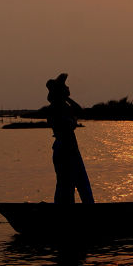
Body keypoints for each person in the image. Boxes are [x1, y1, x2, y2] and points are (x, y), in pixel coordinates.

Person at [45, 73, 94, 205]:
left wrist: (68, 99)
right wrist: (72, 121)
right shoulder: (55, 108)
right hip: (64, 149)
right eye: (65, 86)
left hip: (70, 149)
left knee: (81, 184)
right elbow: (67, 124)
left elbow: (79, 111)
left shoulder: (65, 105)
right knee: (66, 186)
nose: (68, 87)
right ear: (60, 91)